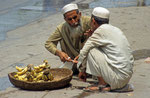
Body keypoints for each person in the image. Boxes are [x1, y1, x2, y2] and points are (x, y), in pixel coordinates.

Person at [77, 7, 134, 92]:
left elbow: (83, 52)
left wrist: (81, 70)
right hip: (126, 77)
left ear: (93, 21)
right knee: (95, 48)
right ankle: (111, 83)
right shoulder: (114, 29)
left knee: (91, 51)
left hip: (118, 79)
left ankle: (102, 84)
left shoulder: (99, 31)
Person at [45, 4, 91, 74]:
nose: (73, 21)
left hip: (89, 60)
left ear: (80, 14)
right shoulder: (61, 28)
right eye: (69, 19)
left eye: (75, 17)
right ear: (65, 19)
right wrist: (59, 53)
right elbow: (48, 43)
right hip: (73, 62)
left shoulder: (89, 22)